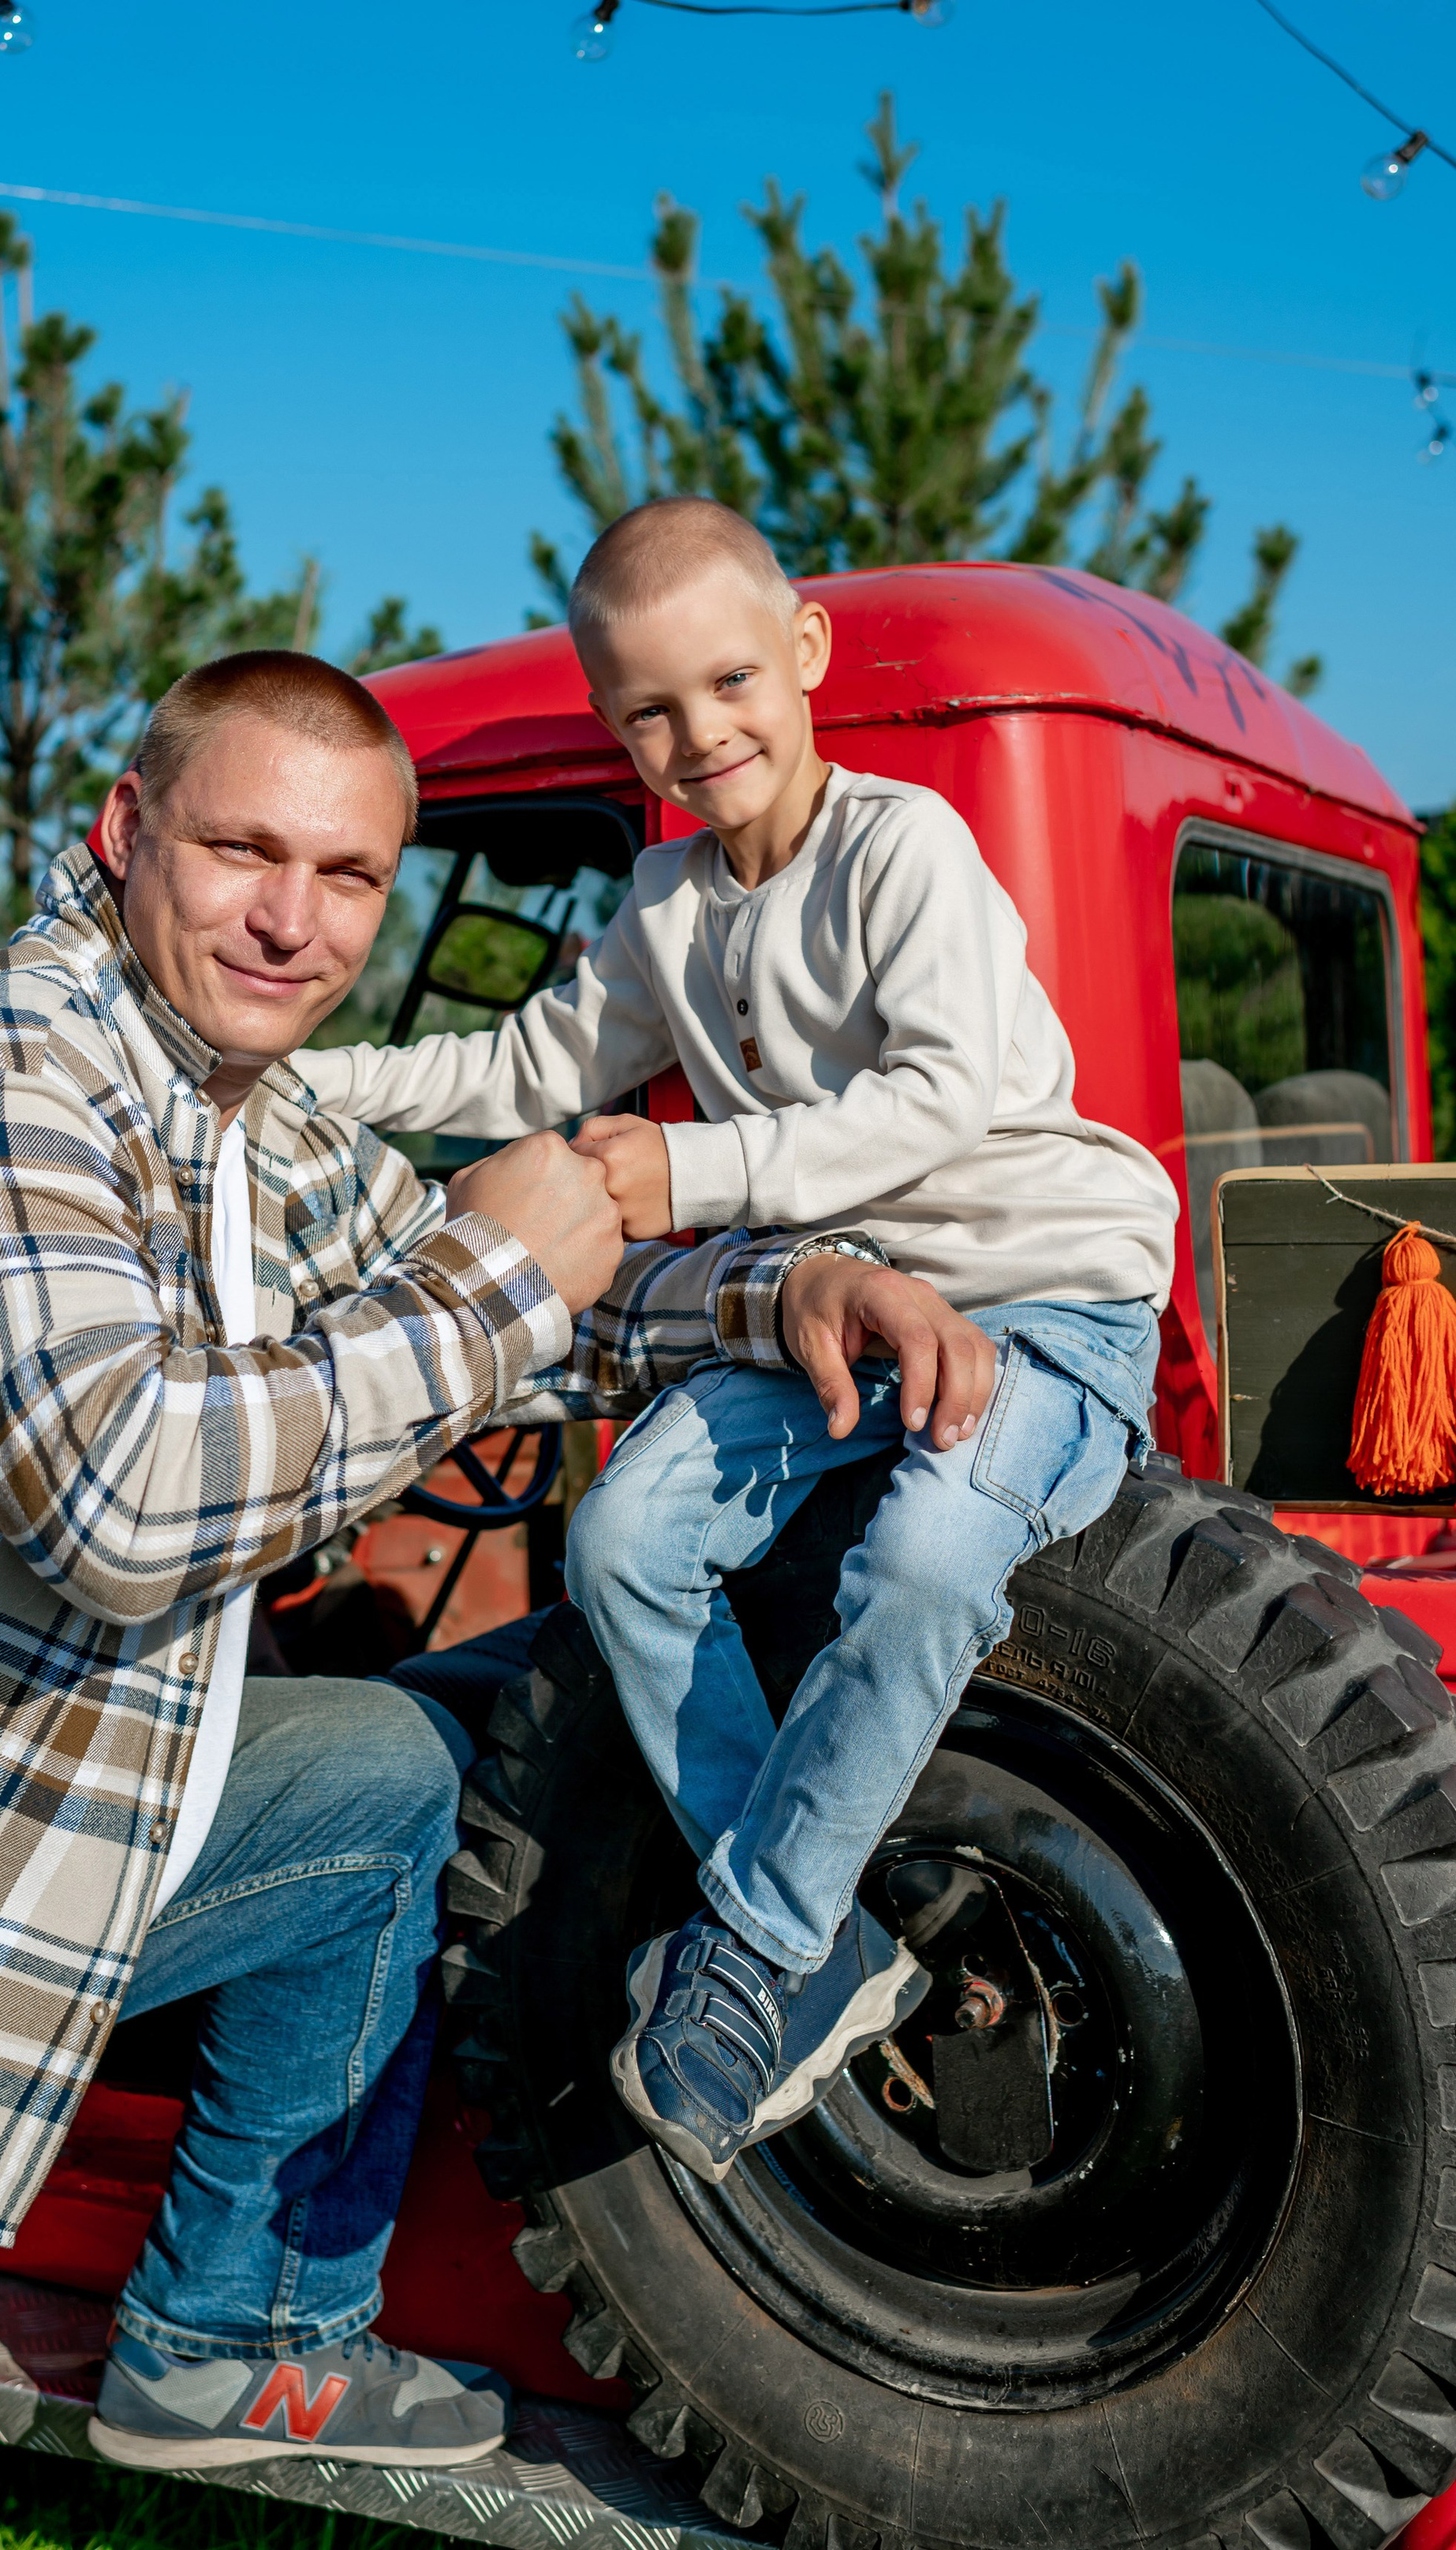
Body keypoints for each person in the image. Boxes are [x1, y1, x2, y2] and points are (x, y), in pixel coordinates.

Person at [0, 647, 985, 2545]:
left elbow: (515, 1287)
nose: (293, 918)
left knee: (375, 1777)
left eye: (348, 876)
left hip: (5, 1848)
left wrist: (782, 1298)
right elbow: (128, 1497)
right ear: (120, 836)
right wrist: (493, 1284)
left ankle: (228, 2333)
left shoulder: (236, 1120)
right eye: (240, 850)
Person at [305, 504, 1179, 2182]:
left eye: (723, 681)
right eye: (646, 711)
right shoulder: (664, 910)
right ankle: (813, 1942)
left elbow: (939, 1100)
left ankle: (751, 1953)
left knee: (924, 1559)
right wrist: (310, 1078)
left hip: (1037, 1291)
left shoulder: (898, 851)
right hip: (827, 1310)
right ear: (611, 722)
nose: (696, 733)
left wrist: (692, 1169)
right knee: (625, 1536)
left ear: (801, 656)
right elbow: (513, 1072)